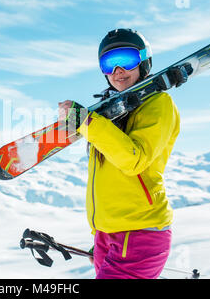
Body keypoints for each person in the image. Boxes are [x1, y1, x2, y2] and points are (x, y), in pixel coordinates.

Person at [58, 28, 181, 279]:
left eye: (125, 59)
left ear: (144, 61)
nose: (117, 71)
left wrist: (87, 122)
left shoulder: (158, 104)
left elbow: (134, 160)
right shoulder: (109, 115)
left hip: (140, 233)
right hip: (107, 235)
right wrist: (102, 234)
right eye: (108, 64)